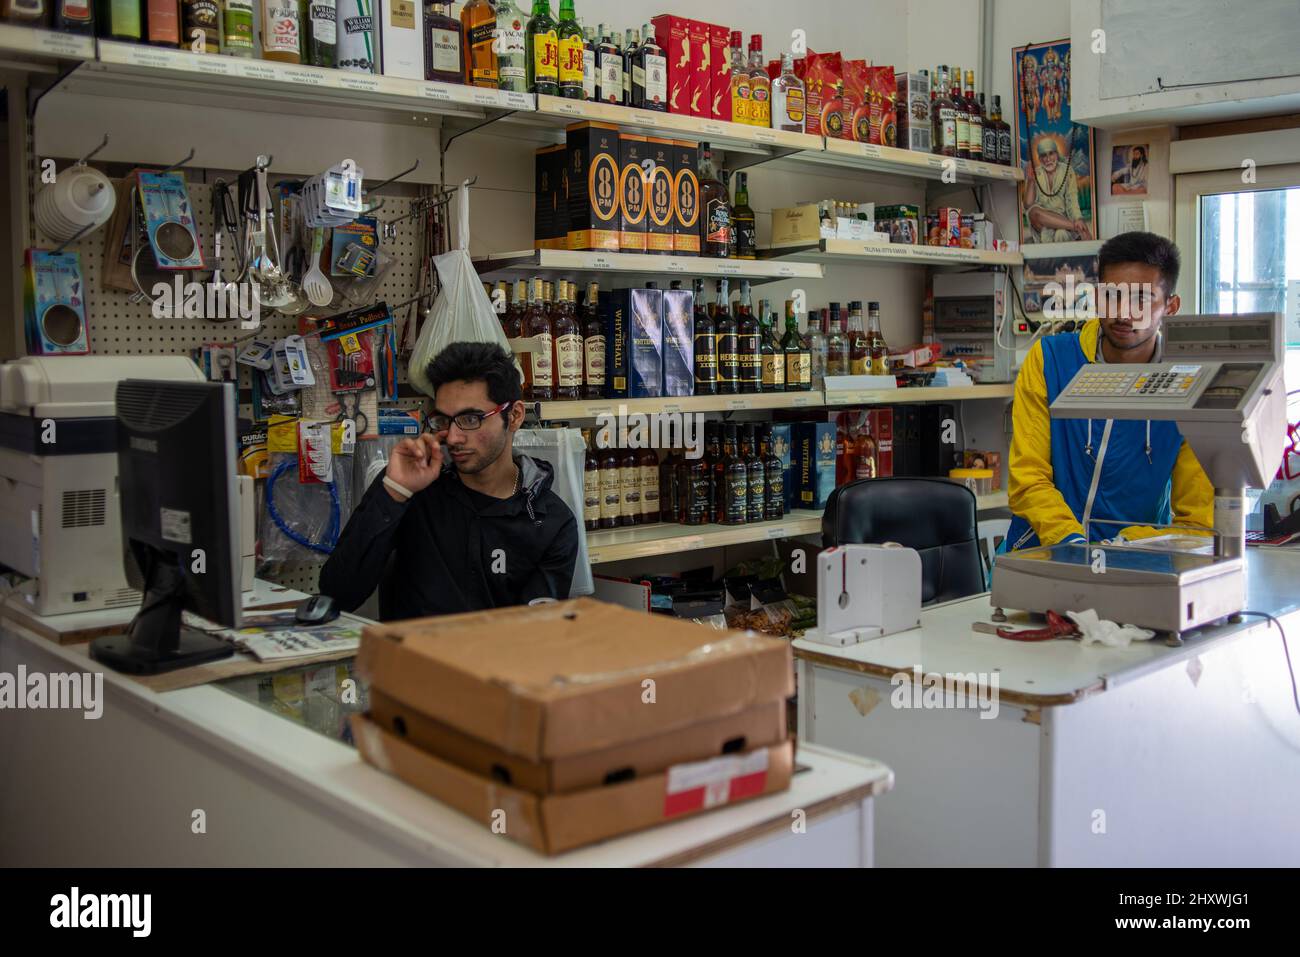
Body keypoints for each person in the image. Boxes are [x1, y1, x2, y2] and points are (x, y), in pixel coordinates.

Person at [319, 342, 578, 619]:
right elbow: (338, 594)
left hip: (489, 661)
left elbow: (532, 636)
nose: (452, 437)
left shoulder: (551, 523)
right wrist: (393, 492)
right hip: (410, 660)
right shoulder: (413, 489)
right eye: (444, 420)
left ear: (514, 416)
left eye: (470, 419)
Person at [1004, 231, 1214, 552]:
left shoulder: (1188, 383)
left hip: (1133, 566)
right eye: (1111, 296)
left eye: (1141, 299)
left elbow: (1198, 523)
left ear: (1171, 306)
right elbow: (1027, 478)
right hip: (1043, 557)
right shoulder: (1051, 360)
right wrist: (1071, 544)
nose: (1122, 313)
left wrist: (1122, 545)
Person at [1023, 136, 1091, 242]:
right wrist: (1031, 181)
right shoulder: (1036, 173)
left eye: (1051, 153)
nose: (1048, 159)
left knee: (1061, 234)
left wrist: (1078, 218)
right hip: (1041, 221)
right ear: (1040, 159)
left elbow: (1072, 199)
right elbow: (1028, 205)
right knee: (1034, 211)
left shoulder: (1067, 171)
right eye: (1044, 155)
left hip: (1062, 218)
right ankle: (1076, 228)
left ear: (1056, 154)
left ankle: (1069, 227)